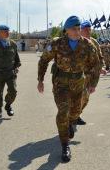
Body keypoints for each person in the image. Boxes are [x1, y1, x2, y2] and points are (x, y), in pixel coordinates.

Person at [37, 16, 100, 162]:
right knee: (63, 112)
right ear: (67, 30)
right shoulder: (57, 43)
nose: (78, 32)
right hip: (61, 84)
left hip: (79, 84)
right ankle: (65, 145)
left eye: (79, 29)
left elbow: (96, 64)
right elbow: (44, 60)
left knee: (75, 112)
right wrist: (40, 80)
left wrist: (93, 83)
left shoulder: (87, 45)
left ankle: (71, 122)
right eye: (74, 29)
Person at [0, 25, 21, 118]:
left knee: (13, 91)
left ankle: (8, 105)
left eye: (8, 31)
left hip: (10, 72)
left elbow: (17, 58)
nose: (8, 33)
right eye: (5, 31)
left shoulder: (13, 44)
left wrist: (16, 66)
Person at [77, 20, 106, 125]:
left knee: (86, 99)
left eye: (89, 29)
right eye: (85, 29)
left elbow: (100, 57)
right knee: (80, 96)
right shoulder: (77, 42)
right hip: (79, 75)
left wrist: (101, 68)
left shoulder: (94, 42)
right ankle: (74, 116)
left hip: (91, 76)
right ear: (80, 30)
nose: (88, 31)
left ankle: (76, 114)